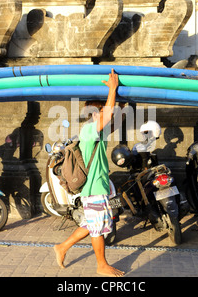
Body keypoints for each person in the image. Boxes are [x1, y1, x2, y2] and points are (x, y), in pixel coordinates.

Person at [54, 69, 125, 277]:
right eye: (102, 112)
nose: (106, 116)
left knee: (91, 224)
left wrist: (120, 100)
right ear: (97, 113)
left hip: (97, 186)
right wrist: (112, 89)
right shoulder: (89, 130)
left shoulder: (96, 132)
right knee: (97, 229)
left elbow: (114, 118)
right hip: (94, 188)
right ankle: (101, 265)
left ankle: (62, 247)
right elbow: (109, 113)